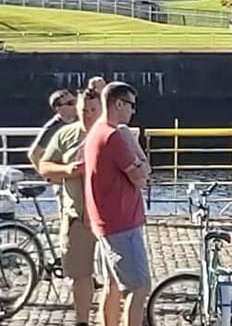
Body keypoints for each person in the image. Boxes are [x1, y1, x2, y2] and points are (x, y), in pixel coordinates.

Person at [84, 82, 152, 326]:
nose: (133, 112)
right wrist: (135, 146)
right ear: (119, 104)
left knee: (112, 286)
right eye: (131, 106)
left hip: (104, 221)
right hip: (121, 223)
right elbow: (141, 176)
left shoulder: (96, 131)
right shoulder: (113, 136)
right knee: (139, 287)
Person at [39, 88, 102, 326]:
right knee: (79, 274)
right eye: (83, 110)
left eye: (93, 110)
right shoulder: (66, 135)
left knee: (119, 276)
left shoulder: (114, 135)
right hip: (76, 216)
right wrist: (67, 171)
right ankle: (82, 320)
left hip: (111, 217)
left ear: (102, 110)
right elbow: (44, 165)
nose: (87, 115)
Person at [29, 89, 78, 173]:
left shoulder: (82, 119)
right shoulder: (53, 128)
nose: (76, 106)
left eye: (76, 101)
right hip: (63, 173)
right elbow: (34, 154)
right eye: (70, 103)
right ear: (58, 108)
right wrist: (47, 176)